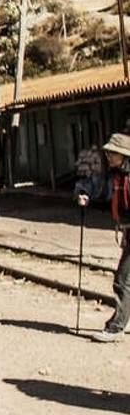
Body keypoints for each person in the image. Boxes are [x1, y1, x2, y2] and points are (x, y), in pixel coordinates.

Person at [76, 133, 130, 343]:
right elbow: (109, 198)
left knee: (122, 281)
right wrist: (87, 198)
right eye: (108, 152)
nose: (109, 156)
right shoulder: (117, 175)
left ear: (124, 155)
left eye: (113, 153)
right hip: (128, 231)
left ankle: (116, 327)